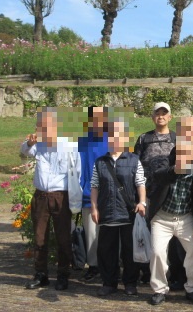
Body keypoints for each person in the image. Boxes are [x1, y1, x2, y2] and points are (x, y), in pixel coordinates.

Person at [147, 116, 193, 306]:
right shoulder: (168, 159)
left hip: (185, 218)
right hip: (162, 217)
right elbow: (156, 177)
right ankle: (159, 290)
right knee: (158, 253)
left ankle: (192, 288)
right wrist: (174, 170)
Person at [20, 107, 80, 291]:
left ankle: (63, 275)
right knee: (39, 238)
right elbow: (24, 151)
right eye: (41, 127)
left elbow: (77, 171)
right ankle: (41, 274)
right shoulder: (38, 144)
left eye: (47, 126)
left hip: (61, 196)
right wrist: (29, 143)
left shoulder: (70, 145)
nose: (43, 130)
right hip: (41, 195)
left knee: (63, 238)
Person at [90, 117, 146, 297]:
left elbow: (140, 183)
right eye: (112, 136)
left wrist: (142, 202)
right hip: (107, 212)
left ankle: (130, 283)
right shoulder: (100, 162)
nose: (115, 139)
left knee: (130, 251)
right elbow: (94, 186)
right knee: (106, 250)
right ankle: (109, 283)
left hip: (128, 213)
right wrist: (94, 208)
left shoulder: (134, 159)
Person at [133, 102, 176, 285]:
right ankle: (147, 270)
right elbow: (135, 164)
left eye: (164, 113)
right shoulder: (144, 138)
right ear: (152, 117)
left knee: (172, 235)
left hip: (170, 194)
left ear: (170, 117)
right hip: (148, 193)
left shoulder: (177, 138)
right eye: (157, 113)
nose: (161, 116)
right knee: (148, 232)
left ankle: (172, 272)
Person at [78, 105, 109, 282]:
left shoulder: (113, 139)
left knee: (110, 232)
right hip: (88, 195)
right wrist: (82, 189)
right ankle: (93, 265)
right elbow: (78, 167)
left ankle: (111, 265)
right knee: (91, 233)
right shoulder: (82, 141)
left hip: (110, 195)